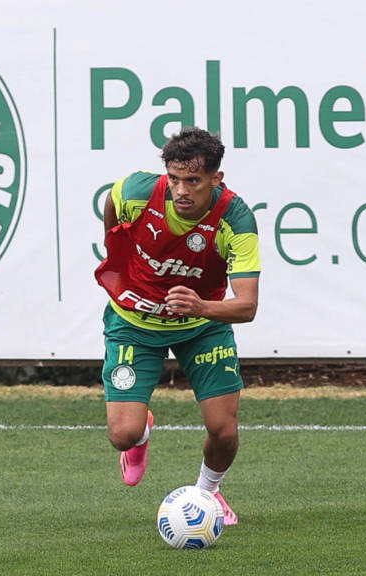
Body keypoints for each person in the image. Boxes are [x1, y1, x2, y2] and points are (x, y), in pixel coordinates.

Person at [95, 127, 260, 525]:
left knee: (223, 429)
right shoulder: (137, 191)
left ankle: (207, 494)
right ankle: (142, 435)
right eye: (174, 179)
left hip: (202, 325)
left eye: (193, 181)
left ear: (216, 179)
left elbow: (247, 306)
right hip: (134, 322)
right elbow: (111, 202)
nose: (181, 190)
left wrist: (201, 306)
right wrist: (118, 248)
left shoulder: (235, 219)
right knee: (122, 434)